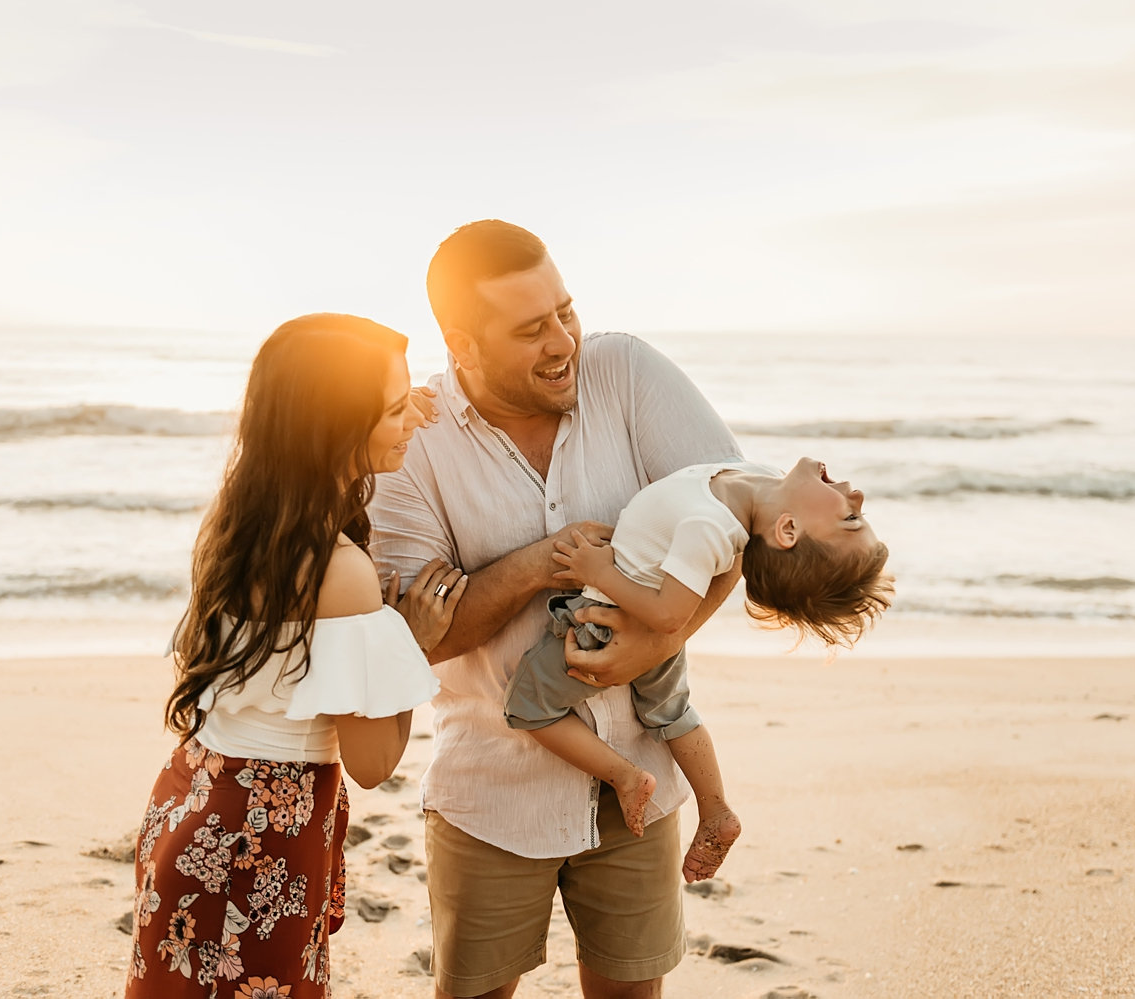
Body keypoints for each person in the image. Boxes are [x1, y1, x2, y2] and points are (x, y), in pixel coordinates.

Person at [369, 220, 744, 999]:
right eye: (531, 328)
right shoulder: (416, 439)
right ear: (462, 345)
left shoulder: (626, 371)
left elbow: (735, 526)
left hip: (639, 770)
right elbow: (419, 636)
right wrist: (537, 566)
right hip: (491, 789)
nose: (562, 341)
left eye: (565, 313)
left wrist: (658, 639)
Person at [125, 314, 460, 999]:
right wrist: (410, 642)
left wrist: (399, 407)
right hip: (258, 839)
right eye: (394, 410)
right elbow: (372, 764)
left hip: (194, 800)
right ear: (336, 427)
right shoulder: (339, 570)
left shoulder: (242, 525)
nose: (410, 422)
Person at [506, 456, 892, 883]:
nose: (855, 493)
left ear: (789, 529)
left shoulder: (708, 524)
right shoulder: (757, 478)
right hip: (646, 630)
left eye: (851, 517)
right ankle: (716, 809)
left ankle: (624, 775)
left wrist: (599, 571)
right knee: (671, 711)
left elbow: (669, 617)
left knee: (526, 707)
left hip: (605, 622)